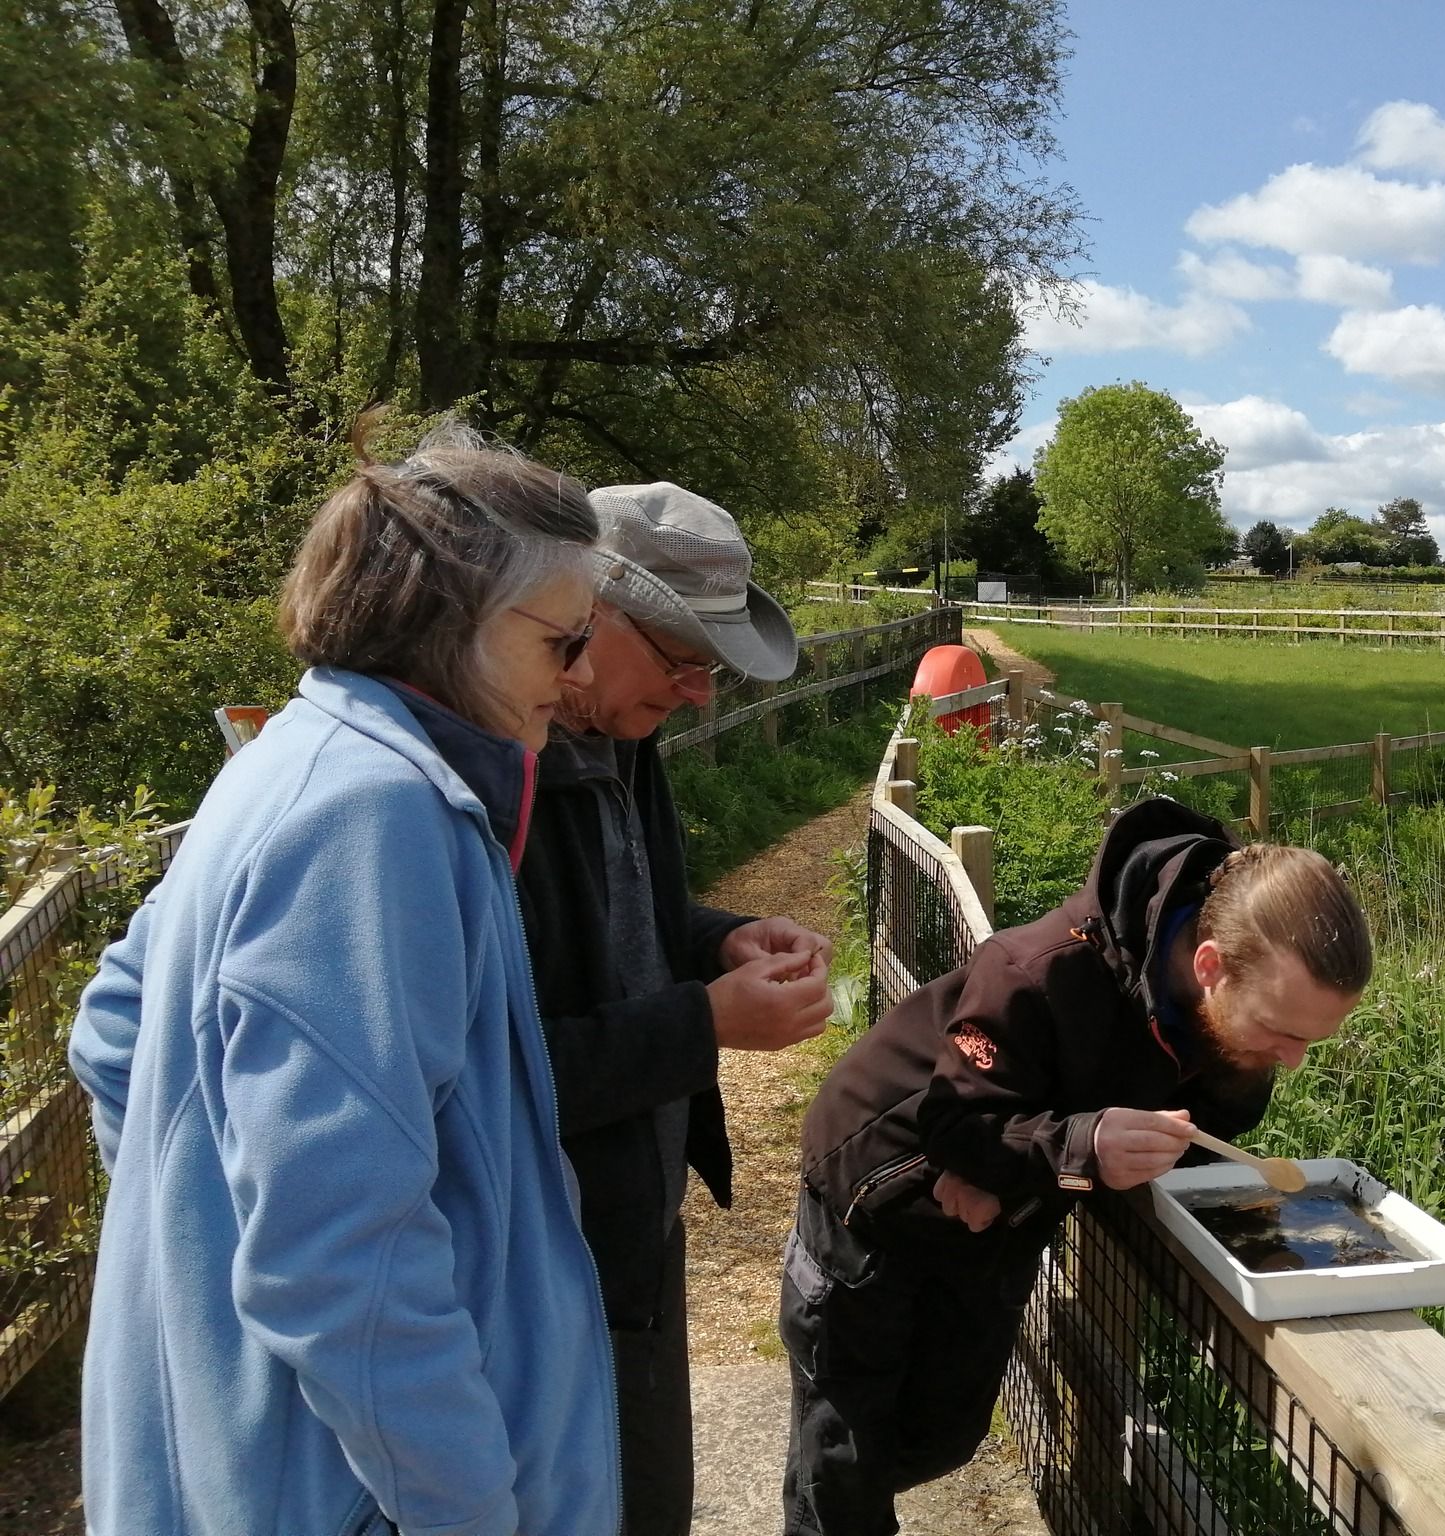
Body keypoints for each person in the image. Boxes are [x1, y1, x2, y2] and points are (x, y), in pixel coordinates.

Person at [67, 420, 622, 1536]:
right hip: (356, 1498)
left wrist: (200, 1262)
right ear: (450, 619)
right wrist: (456, 1502)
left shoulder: (295, 753)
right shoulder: (374, 814)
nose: (583, 675)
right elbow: (340, 1248)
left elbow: (116, 1033)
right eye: (561, 642)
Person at [780, 796, 1373, 1536]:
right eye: (1281, 1033)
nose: (1291, 1059)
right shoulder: (1036, 971)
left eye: (1309, 1039)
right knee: (844, 1464)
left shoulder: (1239, 1012)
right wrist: (1071, 1149)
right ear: (1210, 966)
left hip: (996, 1222)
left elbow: (1208, 1127)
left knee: (942, 1436)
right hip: (871, 1196)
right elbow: (954, 1121)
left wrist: (1020, 1175)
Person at [518, 481, 835, 1535]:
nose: (699, 693)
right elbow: (491, 1072)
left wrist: (719, 938)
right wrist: (703, 1025)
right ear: (586, 614)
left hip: (631, 1220)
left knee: (651, 1499)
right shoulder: (485, 784)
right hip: (536, 1250)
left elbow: (627, 918)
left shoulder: (621, 733)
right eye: (681, 658)